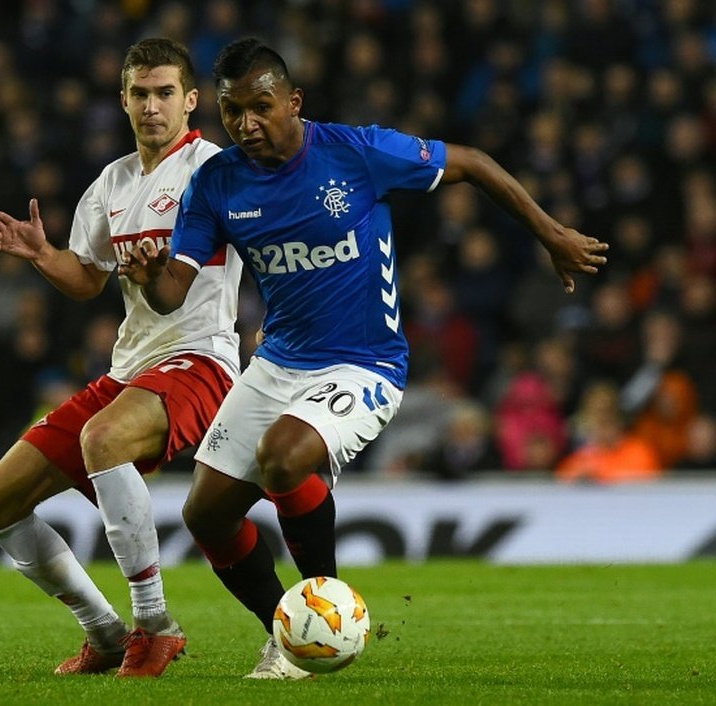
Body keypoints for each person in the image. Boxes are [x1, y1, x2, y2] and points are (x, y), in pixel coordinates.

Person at [120, 38, 608, 679]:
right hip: (280, 360)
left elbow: (475, 162)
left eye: (261, 107)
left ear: (293, 101)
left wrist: (553, 234)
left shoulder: (357, 153)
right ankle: (290, 634)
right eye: (233, 111)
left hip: (365, 363)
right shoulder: (216, 183)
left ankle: (325, 606)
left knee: (283, 457)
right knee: (204, 513)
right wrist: (150, 277)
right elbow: (173, 292)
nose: (247, 124)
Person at [0, 38, 241, 678]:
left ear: (190, 100)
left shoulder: (215, 171)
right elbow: (88, 278)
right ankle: (106, 631)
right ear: (123, 100)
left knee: (103, 439)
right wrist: (43, 257)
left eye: (165, 93)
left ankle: (155, 625)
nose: (152, 106)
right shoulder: (112, 182)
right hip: (131, 368)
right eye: (140, 94)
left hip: (201, 358)